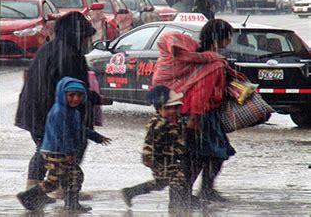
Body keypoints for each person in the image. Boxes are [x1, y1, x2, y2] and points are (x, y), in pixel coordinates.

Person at [15, 12, 110, 195]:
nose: (86, 41)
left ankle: (40, 191)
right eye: (85, 37)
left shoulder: (50, 48)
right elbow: (72, 90)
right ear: (78, 35)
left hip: (36, 112)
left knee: (47, 151)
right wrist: (96, 99)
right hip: (49, 113)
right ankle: (52, 194)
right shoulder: (70, 55)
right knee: (56, 153)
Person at [153, 19, 247, 202]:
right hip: (200, 114)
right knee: (204, 156)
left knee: (202, 156)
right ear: (222, 38)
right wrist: (195, 117)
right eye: (228, 37)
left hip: (198, 113)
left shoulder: (201, 56)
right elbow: (201, 92)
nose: (230, 41)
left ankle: (192, 193)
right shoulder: (212, 63)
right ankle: (187, 194)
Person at [17, 77, 111, 212]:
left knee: (73, 176)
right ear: (63, 95)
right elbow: (64, 135)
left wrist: (96, 137)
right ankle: (29, 196)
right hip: (56, 152)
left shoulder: (71, 112)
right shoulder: (60, 112)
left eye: (79, 95)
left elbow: (79, 128)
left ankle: (70, 203)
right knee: (57, 180)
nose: (75, 99)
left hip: (58, 152)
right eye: (71, 95)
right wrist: (69, 153)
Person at [121, 85, 195, 209]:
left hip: (172, 157)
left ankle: (131, 192)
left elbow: (179, 138)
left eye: (176, 108)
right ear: (159, 109)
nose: (173, 111)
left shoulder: (176, 121)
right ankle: (178, 205)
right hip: (159, 159)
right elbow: (150, 142)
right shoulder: (158, 124)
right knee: (176, 179)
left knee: (163, 182)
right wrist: (147, 158)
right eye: (168, 108)